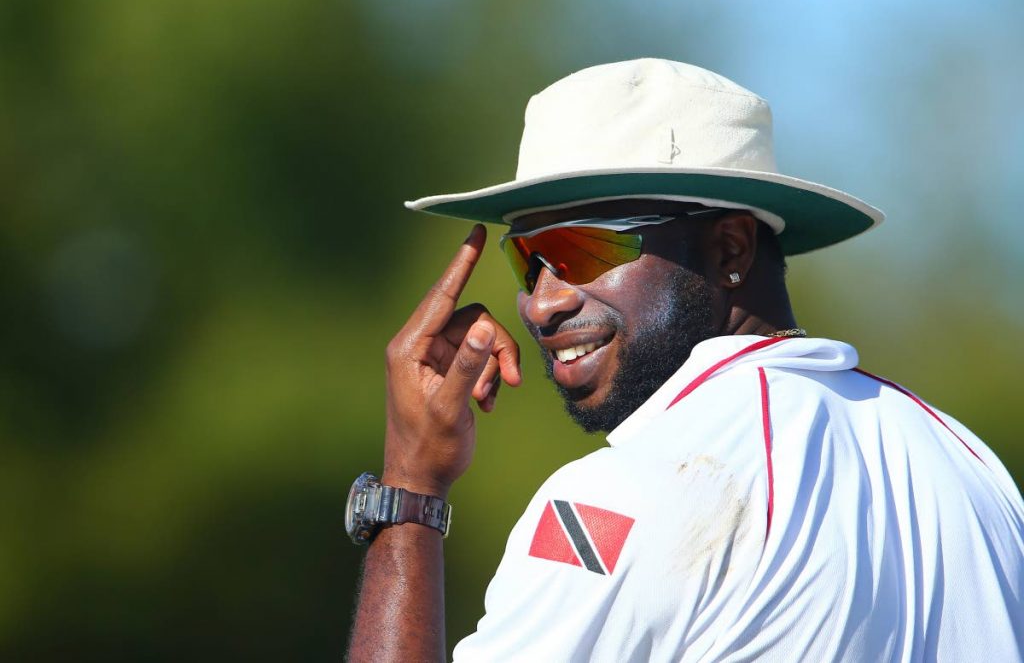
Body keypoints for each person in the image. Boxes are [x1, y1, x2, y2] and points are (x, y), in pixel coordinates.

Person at [345, 59, 1024, 661]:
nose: (541, 303)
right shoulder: (972, 468)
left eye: (586, 250)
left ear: (730, 249)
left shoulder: (618, 499)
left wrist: (410, 488)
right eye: (528, 259)